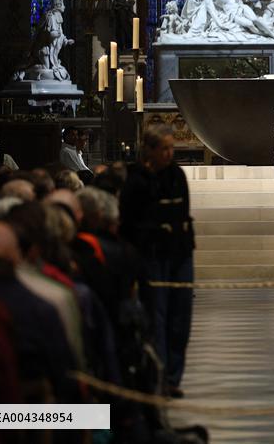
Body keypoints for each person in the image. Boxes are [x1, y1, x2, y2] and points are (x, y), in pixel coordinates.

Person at [119, 124, 193, 398]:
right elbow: (131, 219)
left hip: (179, 253)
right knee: (156, 316)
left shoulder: (176, 175)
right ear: (148, 150)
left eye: (172, 148)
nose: (169, 154)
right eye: (164, 149)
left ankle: (173, 378)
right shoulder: (135, 179)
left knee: (180, 317)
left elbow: (182, 211)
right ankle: (158, 377)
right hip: (151, 255)